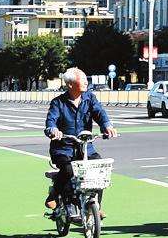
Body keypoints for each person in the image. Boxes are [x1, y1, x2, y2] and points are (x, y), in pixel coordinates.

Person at [44, 67, 117, 217]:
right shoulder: (58, 103)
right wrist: (53, 130)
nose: (86, 82)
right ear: (70, 84)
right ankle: (54, 194)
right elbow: (51, 121)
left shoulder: (90, 98)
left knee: (99, 169)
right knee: (69, 170)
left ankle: (95, 207)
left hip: (86, 148)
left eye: (85, 79)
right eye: (82, 79)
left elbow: (100, 113)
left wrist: (107, 126)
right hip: (63, 149)